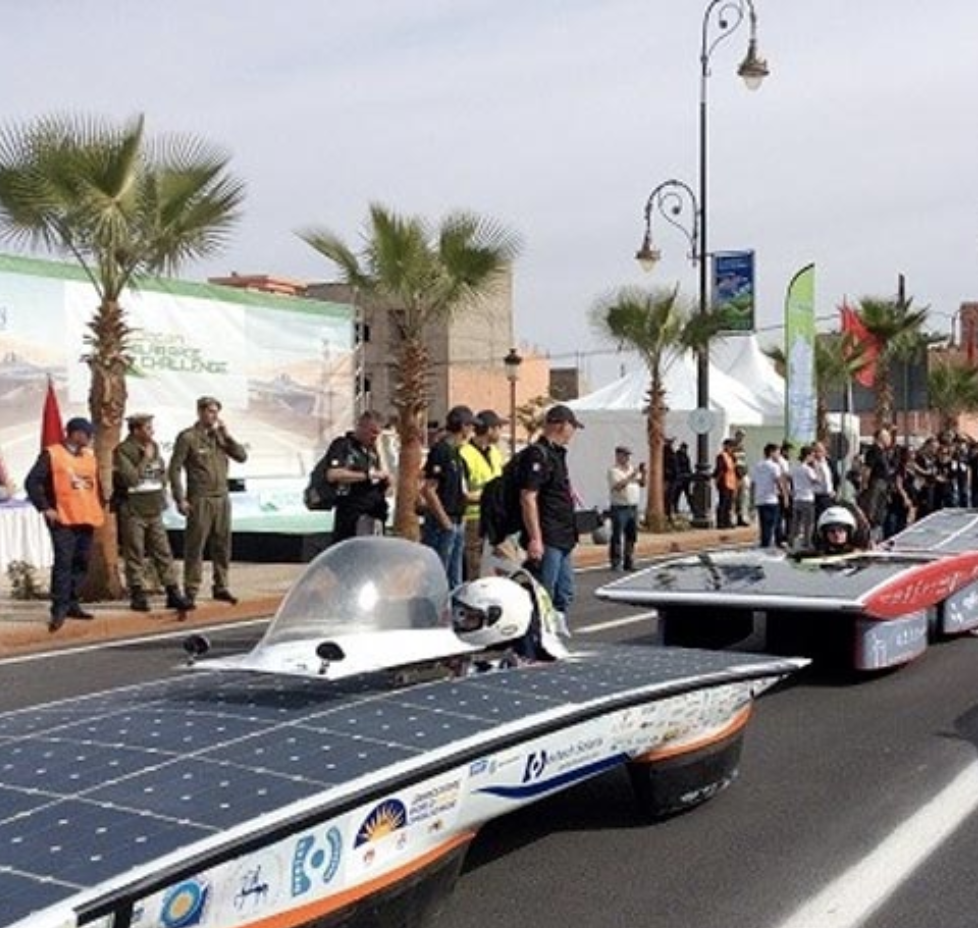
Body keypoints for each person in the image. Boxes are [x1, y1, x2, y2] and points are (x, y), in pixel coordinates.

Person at [25, 417, 105, 632]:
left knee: (81, 561)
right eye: (87, 434)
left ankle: (72, 603)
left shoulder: (89, 456)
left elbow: (95, 485)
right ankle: (59, 608)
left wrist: (101, 505)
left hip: (86, 517)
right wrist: (45, 508)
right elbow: (32, 482)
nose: (90, 438)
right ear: (75, 433)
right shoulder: (52, 454)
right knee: (64, 562)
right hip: (62, 519)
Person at [168, 396, 248, 608]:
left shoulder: (219, 437)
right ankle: (191, 590)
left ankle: (221, 586)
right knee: (196, 545)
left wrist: (227, 437)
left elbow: (242, 457)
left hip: (221, 497)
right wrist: (180, 498)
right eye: (210, 411)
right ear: (200, 412)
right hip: (200, 498)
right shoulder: (188, 437)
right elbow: (174, 469)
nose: (214, 416)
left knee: (222, 544)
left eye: (216, 412)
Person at [112, 413, 192, 613]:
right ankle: (137, 593)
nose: (152, 432)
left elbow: (160, 471)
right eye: (147, 428)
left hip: (154, 508)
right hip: (134, 509)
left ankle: (172, 591)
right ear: (136, 430)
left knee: (163, 551)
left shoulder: (153, 446)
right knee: (135, 552)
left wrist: (161, 478)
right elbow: (131, 479)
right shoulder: (123, 450)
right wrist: (145, 460)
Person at [515, 403, 583, 625]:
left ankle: (556, 626)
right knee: (544, 591)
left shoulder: (557, 454)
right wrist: (535, 538)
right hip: (548, 534)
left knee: (565, 592)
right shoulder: (537, 455)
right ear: (562, 425)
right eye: (573, 427)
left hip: (564, 534)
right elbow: (528, 497)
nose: (573, 433)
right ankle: (538, 631)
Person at [421, 405, 476, 587]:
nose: (472, 430)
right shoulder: (441, 451)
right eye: (470, 426)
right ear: (463, 426)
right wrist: (445, 522)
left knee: (455, 576)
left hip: (457, 520)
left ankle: (453, 601)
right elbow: (428, 489)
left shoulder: (457, 454)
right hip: (442, 524)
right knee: (438, 575)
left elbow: (461, 490)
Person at [323, 410, 391, 544]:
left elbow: (385, 477)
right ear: (361, 427)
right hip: (353, 514)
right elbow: (333, 474)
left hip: (374, 513)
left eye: (378, 433)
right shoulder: (343, 445)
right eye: (372, 432)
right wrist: (367, 475)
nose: (375, 437)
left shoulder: (372, 451)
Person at [458, 409, 506, 580]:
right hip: (473, 517)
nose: (501, 433)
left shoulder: (495, 453)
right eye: (499, 428)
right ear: (490, 429)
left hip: (495, 517)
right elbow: (460, 491)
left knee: (505, 561)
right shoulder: (464, 453)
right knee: (474, 564)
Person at [607, 445, 644, 570]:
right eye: (624, 455)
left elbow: (642, 483)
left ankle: (629, 561)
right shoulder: (613, 471)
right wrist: (631, 476)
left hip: (633, 507)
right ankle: (616, 561)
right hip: (620, 507)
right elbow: (618, 486)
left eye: (628, 456)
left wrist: (643, 473)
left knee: (631, 535)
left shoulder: (632, 469)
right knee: (617, 535)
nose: (627, 458)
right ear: (618, 456)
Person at [751, 442, 787, 549]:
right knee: (773, 524)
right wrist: (785, 496)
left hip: (760, 499)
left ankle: (764, 544)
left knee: (764, 526)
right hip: (771, 499)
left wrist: (752, 500)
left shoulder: (757, 465)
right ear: (771, 453)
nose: (779, 455)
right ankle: (769, 546)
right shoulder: (774, 466)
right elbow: (779, 481)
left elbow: (753, 483)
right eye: (777, 453)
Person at [713, 438, 737, 529]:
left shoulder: (732, 457)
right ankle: (721, 522)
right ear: (725, 446)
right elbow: (719, 469)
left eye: (733, 447)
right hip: (723, 482)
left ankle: (727, 521)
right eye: (730, 446)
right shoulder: (721, 456)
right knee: (723, 503)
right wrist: (716, 478)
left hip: (731, 482)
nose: (732, 448)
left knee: (729, 504)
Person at [731, 429, 751, 527]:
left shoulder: (742, 447)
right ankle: (733, 519)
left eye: (743, 436)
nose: (741, 438)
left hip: (743, 474)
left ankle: (742, 517)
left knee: (743, 497)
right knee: (734, 498)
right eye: (740, 435)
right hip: (735, 475)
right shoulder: (732, 447)